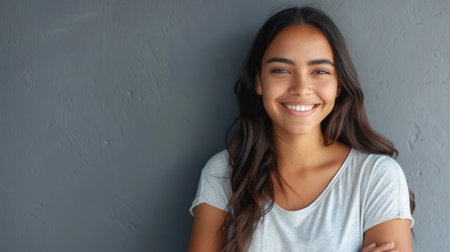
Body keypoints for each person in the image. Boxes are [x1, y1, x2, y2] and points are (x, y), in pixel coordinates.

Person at [188, 6, 414, 252]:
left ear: (338, 85)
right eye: (281, 70)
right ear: (258, 81)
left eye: (319, 71)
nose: (301, 87)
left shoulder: (376, 178)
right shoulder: (222, 174)